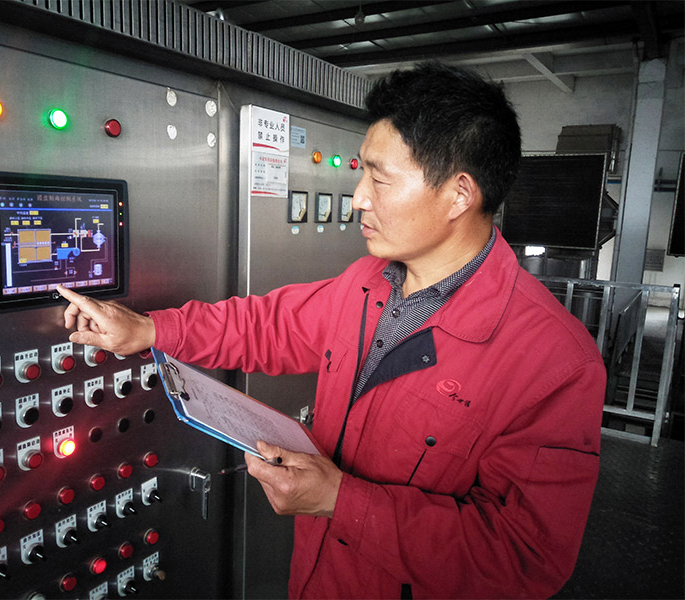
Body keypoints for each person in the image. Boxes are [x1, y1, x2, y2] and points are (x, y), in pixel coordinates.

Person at [57, 61, 606, 599]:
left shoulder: (554, 362)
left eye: (380, 178)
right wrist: (150, 330)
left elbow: (522, 558)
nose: (359, 197)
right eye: (362, 173)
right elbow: (265, 326)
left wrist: (339, 501)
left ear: (460, 194)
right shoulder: (367, 281)